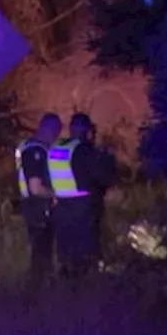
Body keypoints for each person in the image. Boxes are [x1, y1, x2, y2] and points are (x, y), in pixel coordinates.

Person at [47, 113, 116, 280]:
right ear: (87, 130)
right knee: (84, 258)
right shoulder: (84, 150)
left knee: (65, 256)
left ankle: (63, 293)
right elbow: (102, 177)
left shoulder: (57, 148)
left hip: (61, 208)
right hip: (83, 210)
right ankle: (83, 295)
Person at [17, 113, 62, 289]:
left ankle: (37, 294)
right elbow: (35, 188)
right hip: (38, 209)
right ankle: (34, 295)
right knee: (41, 256)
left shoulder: (32, 148)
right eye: (56, 132)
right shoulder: (35, 151)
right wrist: (55, 194)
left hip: (34, 208)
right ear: (49, 130)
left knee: (41, 255)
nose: (56, 138)